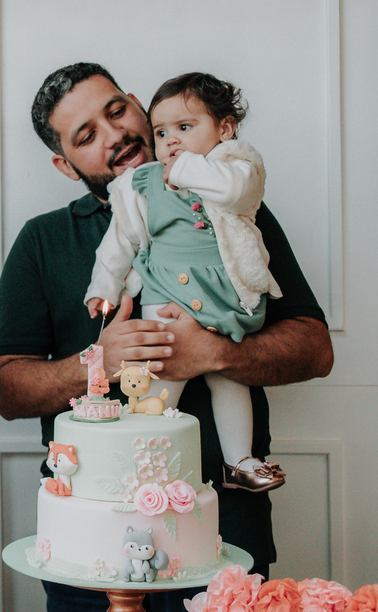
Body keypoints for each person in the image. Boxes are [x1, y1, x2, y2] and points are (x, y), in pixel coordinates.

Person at [0, 63, 333, 612]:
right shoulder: (43, 242)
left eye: (117, 111)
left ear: (136, 104)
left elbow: (315, 348)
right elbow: (8, 388)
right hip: (93, 556)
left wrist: (215, 353)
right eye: (86, 136)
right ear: (65, 163)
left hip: (226, 536)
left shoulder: (231, 210)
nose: (115, 134)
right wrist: (98, 362)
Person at [85, 71, 286, 492]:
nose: (170, 141)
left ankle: (240, 462)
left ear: (225, 129)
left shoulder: (238, 169)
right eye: (160, 132)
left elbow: (232, 192)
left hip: (219, 295)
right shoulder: (140, 184)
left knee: (229, 377)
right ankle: (144, 465)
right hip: (165, 293)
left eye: (184, 128)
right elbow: (119, 242)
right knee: (162, 378)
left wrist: (189, 167)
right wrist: (103, 289)